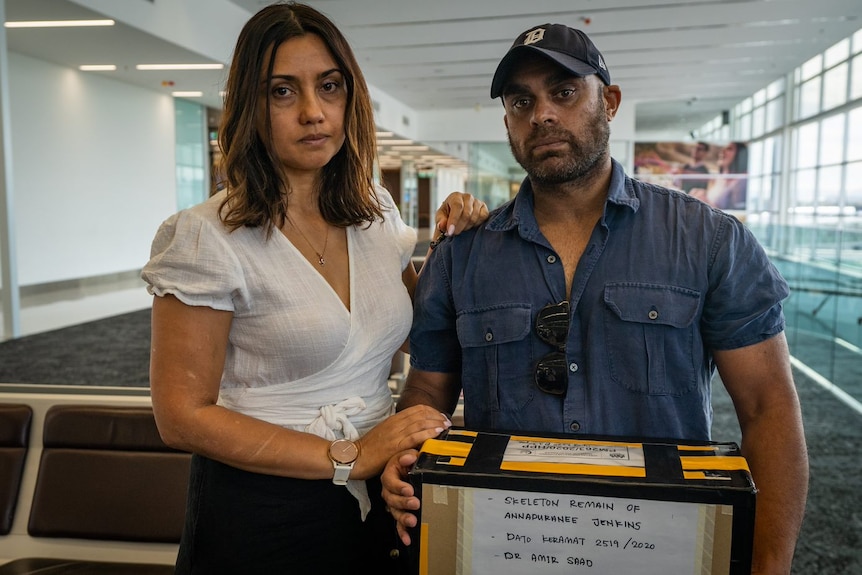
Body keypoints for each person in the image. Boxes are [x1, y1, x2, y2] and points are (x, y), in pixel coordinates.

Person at [382, 22, 808, 575]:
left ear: (608, 102)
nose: (542, 115)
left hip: (660, 549)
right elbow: (427, 389)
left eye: (563, 92)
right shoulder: (462, 255)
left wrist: (769, 565)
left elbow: (768, 407)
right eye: (521, 101)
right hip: (505, 545)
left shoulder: (707, 240)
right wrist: (404, 453)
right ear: (508, 120)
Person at [140, 3, 487, 574]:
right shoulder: (206, 236)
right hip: (262, 505)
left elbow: (409, 331)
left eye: (329, 86)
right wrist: (347, 454)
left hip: (377, 493)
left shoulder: (374, 212)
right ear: (251, 103)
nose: (312, 112)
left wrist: (458, 242)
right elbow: (180, 416)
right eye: (283, 92)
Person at [690, 141, 748, 209]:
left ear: (740, 155)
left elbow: (737, 214)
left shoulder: (741, 180)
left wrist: (706, 202)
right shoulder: (720, 178)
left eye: (729, 149)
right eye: (723, 148)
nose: (722, 151)